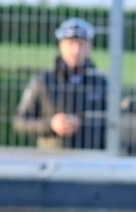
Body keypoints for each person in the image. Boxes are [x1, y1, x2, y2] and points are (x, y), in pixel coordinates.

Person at [13, 17, 109, 151]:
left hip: (90, 160)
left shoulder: (102, 83)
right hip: (52, 161)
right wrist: (51, 125)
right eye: (71, 43)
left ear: (89, 47)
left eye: (81, 43)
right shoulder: (42, 81)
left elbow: (113, 122)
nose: (76, 50)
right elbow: (20, 122)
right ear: (61, 45)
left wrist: (84, 122)